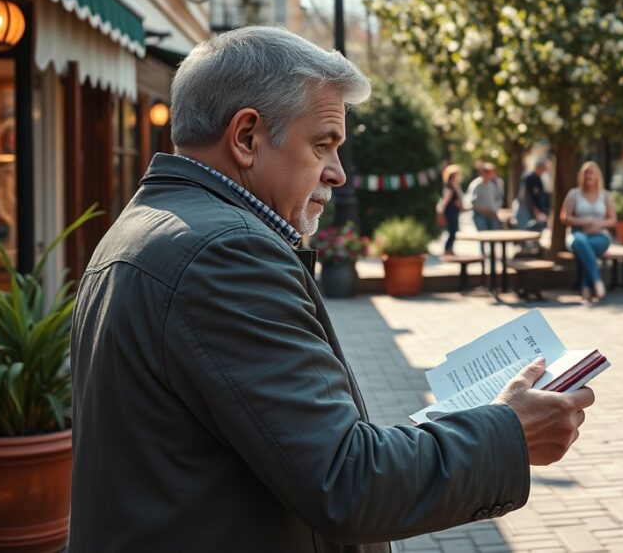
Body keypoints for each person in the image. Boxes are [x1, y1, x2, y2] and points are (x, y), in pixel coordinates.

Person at [69, 27, 595, 552]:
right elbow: (348, 483)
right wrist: (508, 434)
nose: (338, 173)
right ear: (247, 137)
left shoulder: (154, 225)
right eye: (323, 144)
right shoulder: (224, 252)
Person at [559, 161, 617, 303]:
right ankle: (597, 282)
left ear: (598, 175)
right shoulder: (574, 194)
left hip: (600, 236)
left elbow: (613, 220)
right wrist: (583, 222)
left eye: (592, 172)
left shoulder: (605, 195)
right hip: (577, 234)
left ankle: (585, 286)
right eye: (586, 172)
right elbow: (564, 217)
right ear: (582, 176)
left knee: (587, 247)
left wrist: (598, 225)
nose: (589, 175)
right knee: (581, 242)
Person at [516, 158, 551, 231]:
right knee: (524, 232)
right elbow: (526, 196)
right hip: (526, 210)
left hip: (534, 211)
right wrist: (536, 212)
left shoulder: (538, 178)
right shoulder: (529, 177)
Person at [438, 163, 465, 255]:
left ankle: (450, 249)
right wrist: (441, 213)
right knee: (452, 231)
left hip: (454, 211)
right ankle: (447, 250)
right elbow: (445, 201)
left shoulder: (455, 186)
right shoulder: (449, 187)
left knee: (453, 231)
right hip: (450, 212)